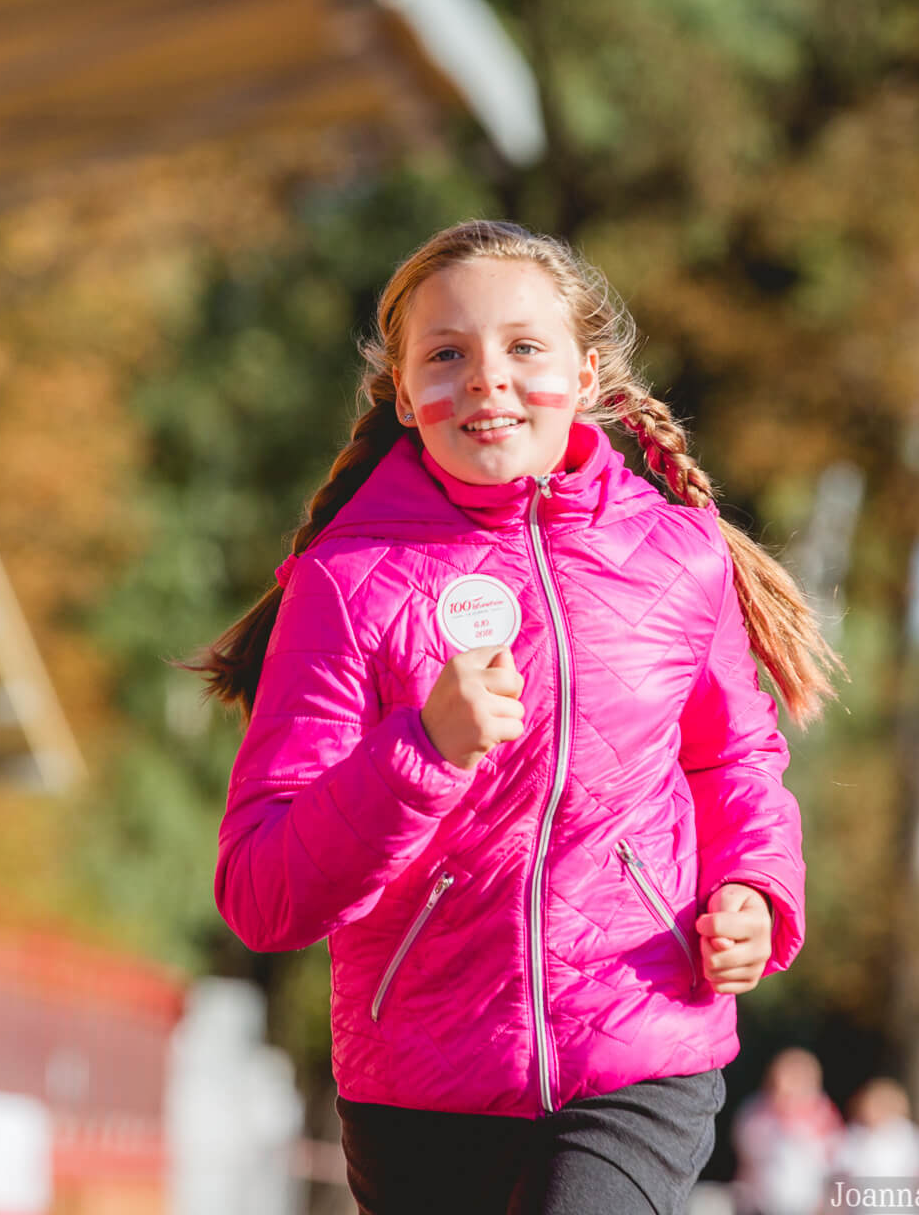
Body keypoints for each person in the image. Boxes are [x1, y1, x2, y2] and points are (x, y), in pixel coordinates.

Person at [203, 220, 838, 1215]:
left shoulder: (683, 557)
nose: (487, 379)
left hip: (639, 1048)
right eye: (446, 355)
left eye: (523, 347)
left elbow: (734, 760)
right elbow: (261, 891)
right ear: (404, 394)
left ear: (585, 376)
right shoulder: (344, 583)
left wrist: (755, 888)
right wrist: (419, 752)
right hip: (418, 1086)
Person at [732, 1048, 844, 1215]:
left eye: (795, 1080)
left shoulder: (823, 1115)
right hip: (760, 1203)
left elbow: (834, 1165)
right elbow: (747, 1154)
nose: (785, 1087)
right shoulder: (756, 1111)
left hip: (809, 1205)